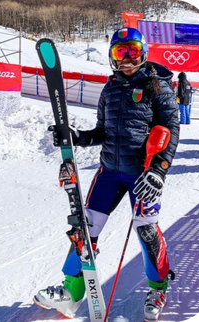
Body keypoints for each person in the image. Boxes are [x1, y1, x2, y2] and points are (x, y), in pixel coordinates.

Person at [33, 27, 180, 321]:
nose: (126, 59)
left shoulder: (158, 87)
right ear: (112, 57)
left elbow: (171, 130)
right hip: (109, 171)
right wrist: (78, 136)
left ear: (143, 53)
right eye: (119, 52)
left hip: (143, 174)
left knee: (146, 229)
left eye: (132, 51)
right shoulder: (110, 88)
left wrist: (159, 170)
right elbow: (102, 131)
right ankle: (71, 293)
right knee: (84, 230)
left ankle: (158, 287)